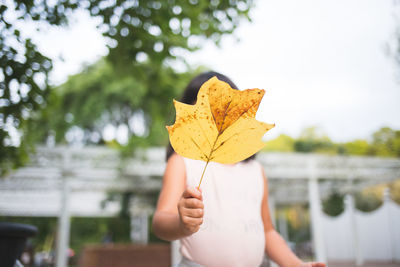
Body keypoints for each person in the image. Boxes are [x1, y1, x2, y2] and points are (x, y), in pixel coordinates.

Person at [152, 71, 325, 267]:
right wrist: (182, 225)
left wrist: (295, 265)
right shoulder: (182, 161)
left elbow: (267, 231)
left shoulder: (255, 170)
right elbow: (160, 221)